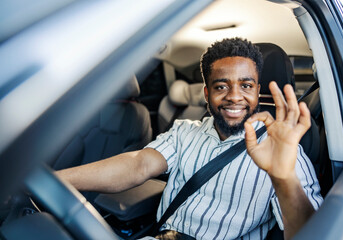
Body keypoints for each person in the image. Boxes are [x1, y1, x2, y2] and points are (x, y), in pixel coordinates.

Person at [57, 37, 323, 240]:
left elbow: (313, 234)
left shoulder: (286, 152)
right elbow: (138, 164)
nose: (234, 96)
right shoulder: (185, 131)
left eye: (245, 85)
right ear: (206, 94)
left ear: (257, 92)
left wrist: (283, 177)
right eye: (221, 86)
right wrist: (56, 181)